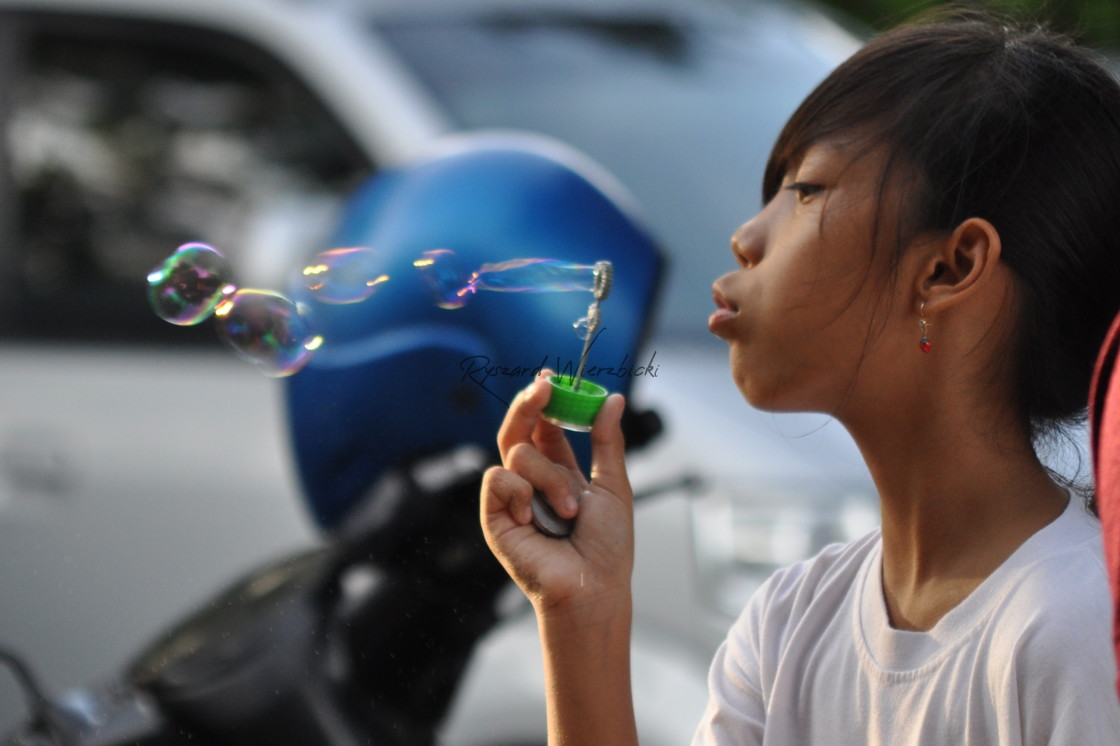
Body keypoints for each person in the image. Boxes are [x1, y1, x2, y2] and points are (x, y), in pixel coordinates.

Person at [480, 10, 1120, 745]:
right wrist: (581, 612)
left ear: (949, 268)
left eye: (807, 190)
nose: (746, 238)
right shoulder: (790, 623)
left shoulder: (1075, 629)